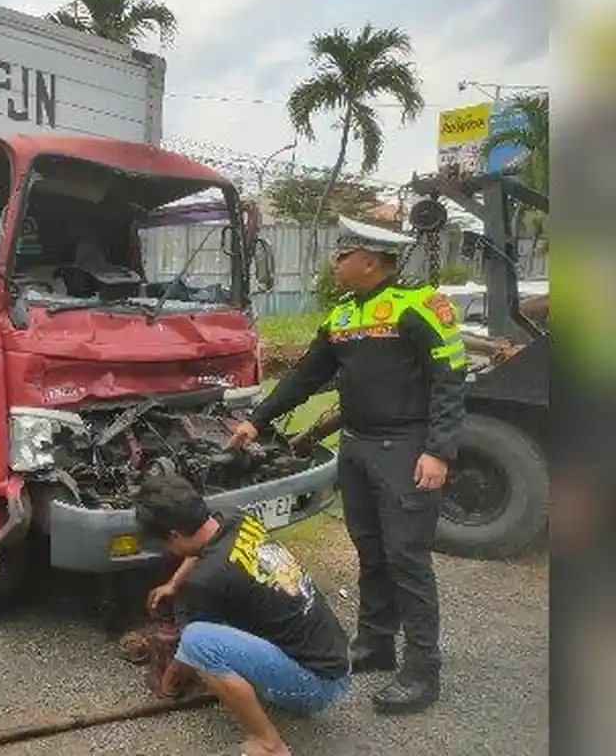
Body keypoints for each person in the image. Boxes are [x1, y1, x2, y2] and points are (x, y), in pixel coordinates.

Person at [229, 216, 468, 715]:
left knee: (407, 557)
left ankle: (423, 669)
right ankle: (376, 642)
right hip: (357, 448)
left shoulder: (419, 305)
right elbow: (305, 376)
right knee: (371, 550)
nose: (334, 262)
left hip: (406, 447)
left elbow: (450, 378)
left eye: (343, 254)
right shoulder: (342, 316)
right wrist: (256, 420)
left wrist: (439, 449)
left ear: (370, 261)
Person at [135, 474, 351, 756]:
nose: (169, 551)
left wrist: (169, 682)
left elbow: (191, 650)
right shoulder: (233, 519)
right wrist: (173, 584)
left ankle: (269, 744)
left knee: (198, 639)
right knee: (212, 632)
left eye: (166, 544)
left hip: (315, 688)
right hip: (337, 660)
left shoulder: (206, 582)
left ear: (174, 535)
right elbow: (199, 549)